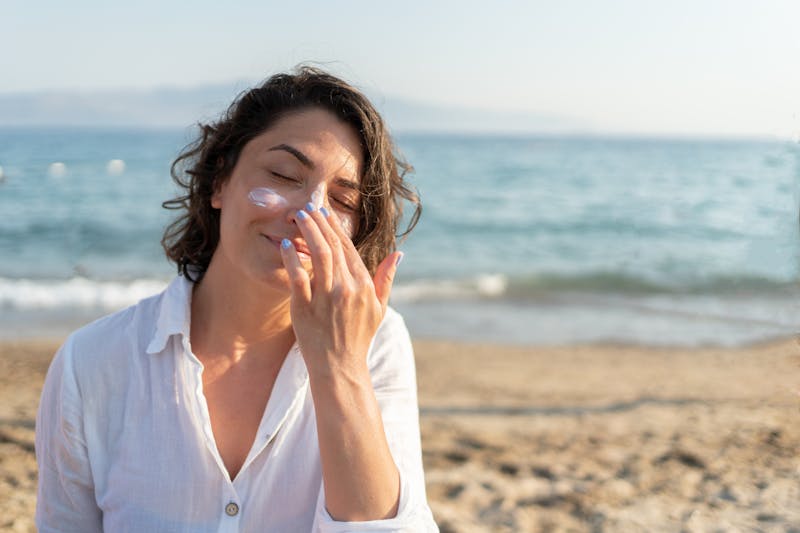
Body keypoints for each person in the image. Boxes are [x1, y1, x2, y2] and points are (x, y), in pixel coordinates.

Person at [35, 67, 439, 532]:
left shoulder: (378, 345)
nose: (310, 213)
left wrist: (341, 367)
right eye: (284, 175)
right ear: (219, 182)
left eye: (343, 203)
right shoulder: (90, 363)